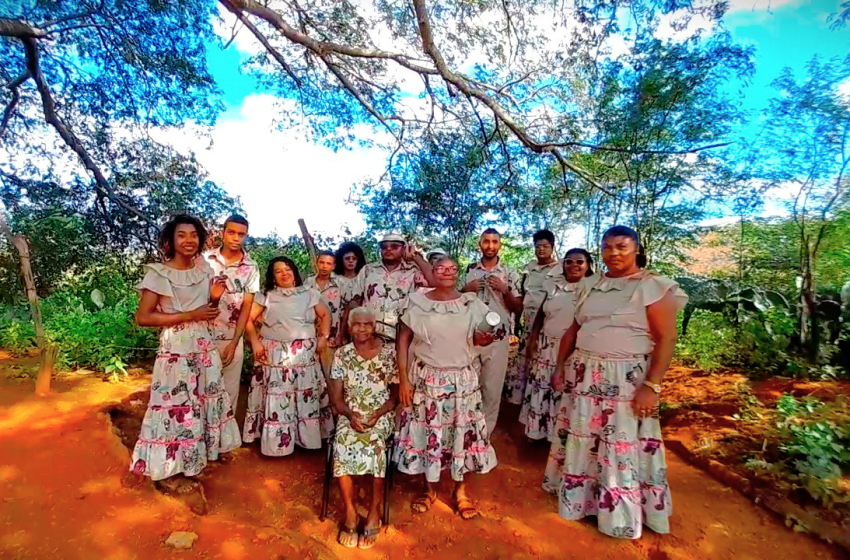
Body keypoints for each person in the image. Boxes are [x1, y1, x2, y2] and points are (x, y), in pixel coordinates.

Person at [544, 226, 688, 539]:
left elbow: (667, 338)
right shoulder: (590, 285)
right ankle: (582, 502)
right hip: (584, 374)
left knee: (620, 443)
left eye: (622, 246)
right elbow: (573, 329)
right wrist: (559, 366)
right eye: (607, 247)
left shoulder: (652, 286)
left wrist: (652, 386)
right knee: (586, 438)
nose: (614, 253)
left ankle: (620, 515)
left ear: (636, 248)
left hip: (626, 380)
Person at [131, 214, 241, 494]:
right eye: (182, 235)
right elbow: (143, 317)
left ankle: (193, 461)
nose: (189, 240)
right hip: (176, 350)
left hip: (204, 345)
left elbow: (206, 309)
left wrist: (215, 298)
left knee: (201, 402)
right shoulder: (158, 273)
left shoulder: (203, 268)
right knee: (175, 406)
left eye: (194, 235)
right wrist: (192, 314)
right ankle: (167, 471)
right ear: (171, 240)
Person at [395, 256, 496, 520]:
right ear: (432, 272)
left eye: (452, 269)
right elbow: (403, 341)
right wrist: (404, 379)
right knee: (430, 433)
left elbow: (482, 338)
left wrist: (484, 338)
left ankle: (460, 492)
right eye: (440, 268)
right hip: (428, 379)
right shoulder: (417, 302)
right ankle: (429, 489)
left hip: (462, 380)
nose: (447, 272)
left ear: (458, 273)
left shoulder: (471, 304)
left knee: (462, 433)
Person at [243, 256, 334, 456]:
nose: (284, 273)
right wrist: (255, 342)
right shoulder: (266, 295)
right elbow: (247, 320)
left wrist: (323, 337)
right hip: (275, 355)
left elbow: (326, 315)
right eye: (278, 271)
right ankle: (277, 445)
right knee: (279, 397)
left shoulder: (309, 293)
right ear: (273, 277)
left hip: (304, 355)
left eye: (287, 269)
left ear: (294, 271)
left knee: (304, 396)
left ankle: (306, 441)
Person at [329, 307, 398, 549]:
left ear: (374, 325)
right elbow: (336, 400)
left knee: (376, 445)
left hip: (381, 415)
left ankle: (373, 512)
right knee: (343, 442)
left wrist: (377, 415)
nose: (362, 328)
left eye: (367, 324)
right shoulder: (342, 355)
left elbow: (394, 397)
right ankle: (349, 512)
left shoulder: (389, 353)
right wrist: (351, 414)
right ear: (349, 327)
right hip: (351, 414)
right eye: (357, 324)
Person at [518, 249, 593, 441]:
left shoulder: (592, 289)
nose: (574, 265)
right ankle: (537, 431)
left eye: (579, 262)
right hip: (546, 346)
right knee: (542, 387)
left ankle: (559, 437)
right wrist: (533, 339)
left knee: (564, 390)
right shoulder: (553, 285)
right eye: (569, 261)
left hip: (573, 350)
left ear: (588, 265)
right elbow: (541, 314)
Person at [461, 228, 522, 437]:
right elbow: (458, 302)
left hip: (498, 337)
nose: (490, 246)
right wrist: (465, 289)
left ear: (500, 245)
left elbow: (518, 308)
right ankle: (466, 430)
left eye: (494, 242)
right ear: (479, 244)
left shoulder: (510, 272)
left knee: (492, 387)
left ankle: (483, 436)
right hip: (471, 336)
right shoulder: (470, 269)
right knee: (468, 384)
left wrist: (505, 290)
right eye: (486, 241)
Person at [203, 214, 261, 408]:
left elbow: (247, 306)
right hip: (202, 336)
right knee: (201, 390)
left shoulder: (251, 267)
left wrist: (235, 342)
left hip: (231, 338)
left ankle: (226, 438)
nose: (236, 238)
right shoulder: (204, 260)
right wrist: (212, 298)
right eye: (232, 232)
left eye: (241, 234)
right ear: (223, 233)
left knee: (229, 393)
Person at [505, 229, 560, 405]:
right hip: (528, 320)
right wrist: (517, 321)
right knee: (524, 360)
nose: (541, 250)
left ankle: (540, 404)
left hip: (548, 321)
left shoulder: (560, 270)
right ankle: (520, 403)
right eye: (538, 246)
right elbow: (523, 293)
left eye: (545, 246)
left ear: (552, 247)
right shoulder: (529, 269)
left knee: (541, 361)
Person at [353, 233, 435, 342]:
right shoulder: (368, 270)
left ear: (404, 249)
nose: (388, 250)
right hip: (368, 335)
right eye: (384, 247)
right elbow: (355, 300)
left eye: (394, 246)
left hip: (400, 338)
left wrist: (416, 257)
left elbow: (435, 282)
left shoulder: (413, 272)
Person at [304, 251, 344, 377]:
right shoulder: (307, 283)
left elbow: (347, 309)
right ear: (317, 263)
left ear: (333, 266)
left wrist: (341, 335)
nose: (324, 266)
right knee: (311, 375)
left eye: (328, 263)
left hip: (332, 338)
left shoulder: (340, 283)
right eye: (321, 262)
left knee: (331, 375)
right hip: (309, 336)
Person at [333, 241, 367, 309]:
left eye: (354, 258)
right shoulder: (334, 279)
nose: (351, 261)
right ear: (341, 260)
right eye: (347, 258)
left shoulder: (363, 278)